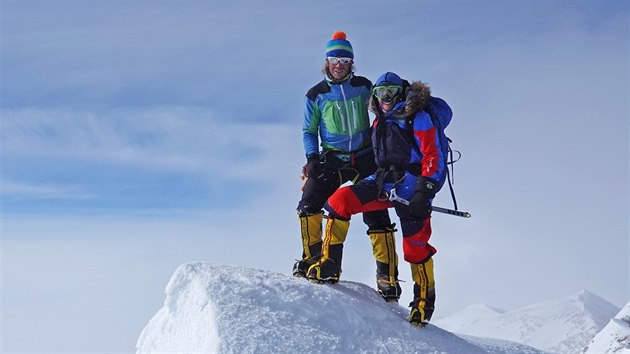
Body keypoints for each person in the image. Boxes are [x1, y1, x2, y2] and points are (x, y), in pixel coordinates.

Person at [315, 72, 449, 327]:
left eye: (391, 92)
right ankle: (329, 265)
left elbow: (433, 155)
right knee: (339, 201)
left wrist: (426, 189)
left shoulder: (417, 118)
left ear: (401, 93)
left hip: (412, 184)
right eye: (380, 92)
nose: (386, 98)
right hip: (383, 181)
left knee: (415, 246)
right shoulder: (380, 121)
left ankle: (423, 303)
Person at [293, 31, 401, 302]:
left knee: (375, 212)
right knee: (308, 203)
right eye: (334, 58)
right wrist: (311, 158)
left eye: (344, 59)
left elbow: (388, 106)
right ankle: (315, 259)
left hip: (366, 157)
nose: (339, 63)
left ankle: (387, 276)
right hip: (333, 157)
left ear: (351, 63)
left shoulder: (365, 87)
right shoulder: (316, 94)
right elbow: (309, 130)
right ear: (326, 62)